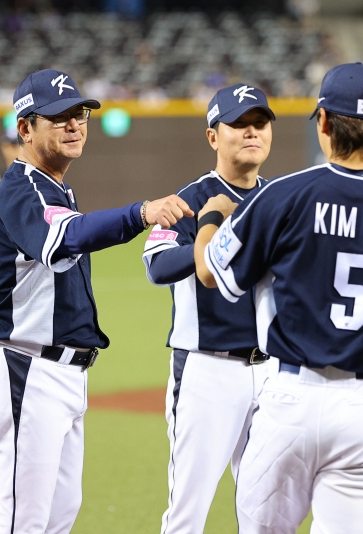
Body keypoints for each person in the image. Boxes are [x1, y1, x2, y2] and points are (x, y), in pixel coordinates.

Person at [193, 63, 363, 533]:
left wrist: (210, 217)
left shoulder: (282, 196)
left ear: (323, 122)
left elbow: (209, 271)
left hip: (290, 397)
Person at [0, 69, 193, 534]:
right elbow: (67, 237)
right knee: (25, 523)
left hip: (62, 374)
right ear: (25, 128)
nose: (75, 124)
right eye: (59, 117)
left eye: (79, 114)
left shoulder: (54, 188)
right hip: (27, 369)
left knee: (59, 517)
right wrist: (140, 213)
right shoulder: (22, 188)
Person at [141, 83, 279, 534]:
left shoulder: (280, 199)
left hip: (272, 373)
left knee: (266, 512)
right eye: (238, 124)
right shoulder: (191, 198)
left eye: (259, 123)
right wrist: (211, 237)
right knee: (188, 512)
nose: (251, 132)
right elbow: (157, 266)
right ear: (213, 137)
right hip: (206, 370)